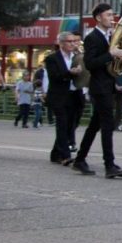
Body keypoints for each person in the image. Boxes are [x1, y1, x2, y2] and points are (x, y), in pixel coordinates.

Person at [73, 3, 122, 179]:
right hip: (99, 87)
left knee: (94, 125)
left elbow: (110, 62)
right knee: (107, 125)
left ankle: (80, 159)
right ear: (98, 18)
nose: (112, 18)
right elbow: (90, 64)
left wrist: (120, 59)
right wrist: (111, 54)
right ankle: (109, 165)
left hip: (109, 85)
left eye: (112, 14)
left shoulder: (110, 36)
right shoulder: (92, 37)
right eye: (108, 15)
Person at [45, 32, 84, 165]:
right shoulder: (52, 58)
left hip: (75, 95)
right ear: (61, 43)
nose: (73, 44)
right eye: (69, 41)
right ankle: (65, 155)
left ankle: (55, 154)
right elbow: (55, 76)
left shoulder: (78, 57)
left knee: (70, 127)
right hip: (60, 96)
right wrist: (70, 73)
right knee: (62, 125)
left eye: (74, 41)